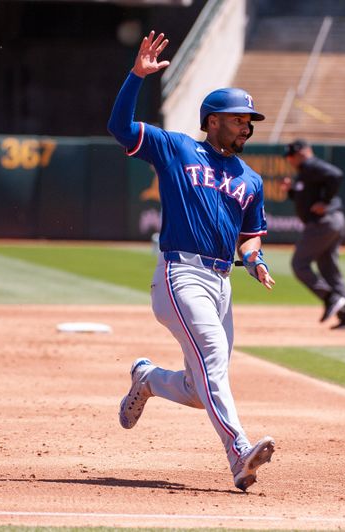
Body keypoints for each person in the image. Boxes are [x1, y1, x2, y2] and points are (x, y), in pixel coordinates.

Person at [107, 30, 276, 492]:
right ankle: (239, 451)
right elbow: (121, 128)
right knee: (214, 360)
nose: (247, 126)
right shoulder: (178, 148)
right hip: (180, 275)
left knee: (201, 386)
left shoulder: (251, 178)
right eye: (239, 119)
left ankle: (147, 378)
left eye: (249, 120)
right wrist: (136, 77)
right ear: (212, 120)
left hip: (222, 284)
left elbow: (250, 234)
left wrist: (255, 259)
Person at [281, 139, 345, 331]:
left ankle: (331, 298)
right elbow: (306, 196)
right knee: (329, 271)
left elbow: (336, 175)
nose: (290, 160)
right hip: (332, 222)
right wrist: (292, 191)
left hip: (324, 223)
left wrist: (325, 202)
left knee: (299, 264)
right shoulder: (305, 171)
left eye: (291, 156)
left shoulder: (310, 164)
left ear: (303, 152)